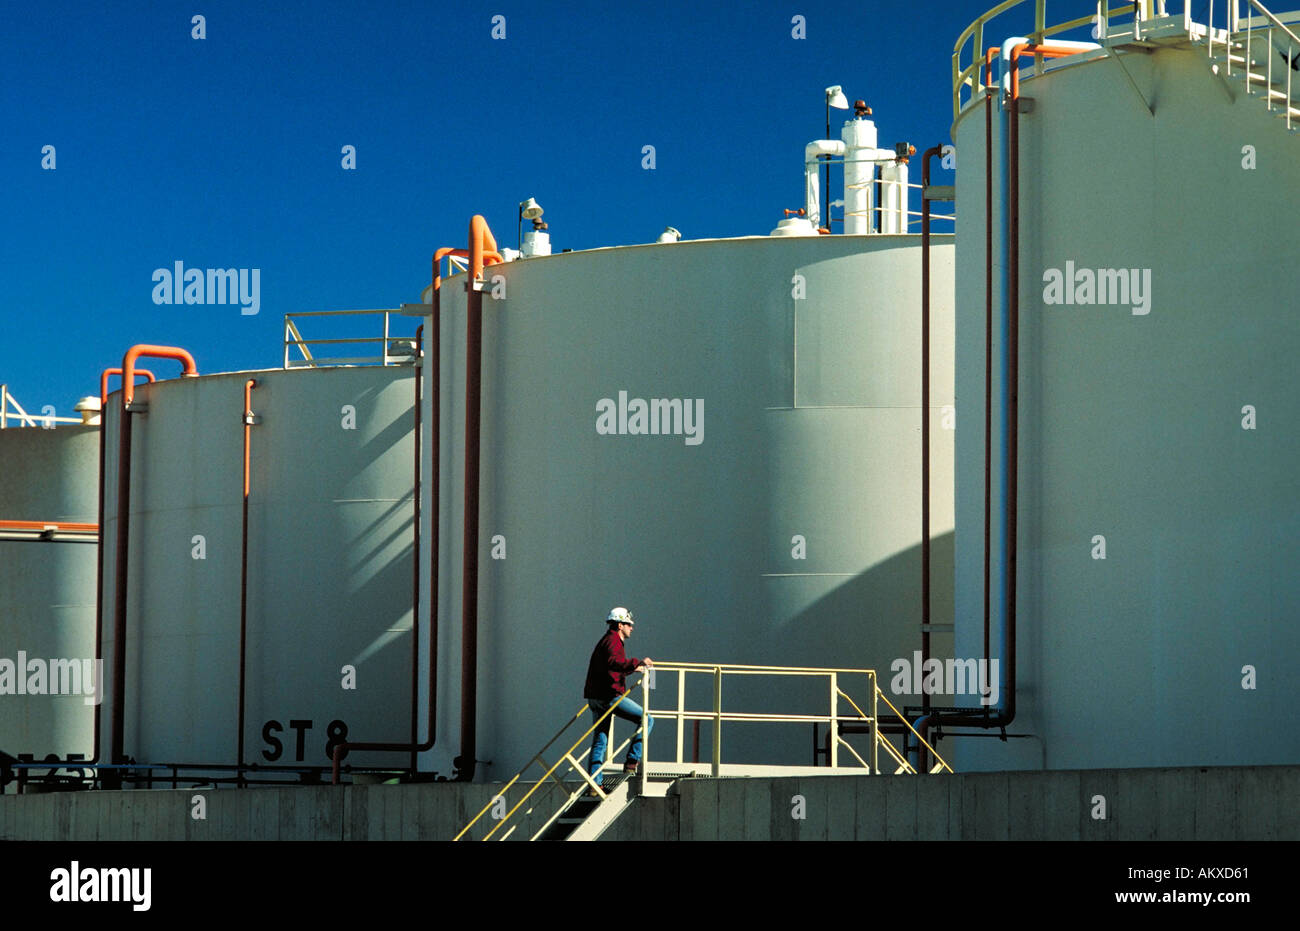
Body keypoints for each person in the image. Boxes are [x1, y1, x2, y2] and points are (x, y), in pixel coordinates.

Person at [583, 607, 654, 782]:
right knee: (647, 719)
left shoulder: (607, 641)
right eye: (629, 624)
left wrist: (633, 668)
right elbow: (614, 662)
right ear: (620, 625)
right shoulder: (613, 641)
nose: (632, 628)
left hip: (596, 697)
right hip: (609, 697)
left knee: (600, 740)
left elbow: (612, 669)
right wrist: (639, 662)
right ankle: (632, 761)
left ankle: (594, 783)